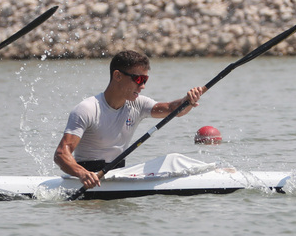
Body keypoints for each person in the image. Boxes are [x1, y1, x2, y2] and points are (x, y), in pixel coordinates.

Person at [54, 50, 206, 189]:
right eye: (138, 79)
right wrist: (82, 174)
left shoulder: (138, 104)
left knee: (172, 160)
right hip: (88, 179)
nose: (142, 86)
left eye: (145, 80)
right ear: (117, 76)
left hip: (118, 175)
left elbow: (172, 109)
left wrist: (187, 101)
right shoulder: (87, 109)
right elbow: (61, 154)